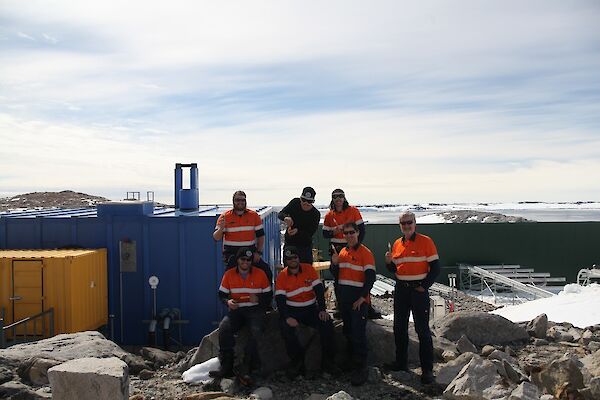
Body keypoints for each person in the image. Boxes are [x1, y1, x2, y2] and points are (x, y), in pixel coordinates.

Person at [384, 211, 440, 385]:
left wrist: (424, 286)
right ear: (400, 225)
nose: (406, 226)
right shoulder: (397, 244)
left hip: (418, 291)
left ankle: (427, 370)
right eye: (403, 223)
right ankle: (401, 364)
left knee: (422, 331)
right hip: (401, 290)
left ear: (415, 223)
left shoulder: (426, 241)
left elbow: (436, 268)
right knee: (399, 328)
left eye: (409, 222)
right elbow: (395, 270)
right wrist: (388, 263)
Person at [209, 247, 273, 384]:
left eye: (248, 260)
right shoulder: (229, 274)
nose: (246, 262)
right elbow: (222, 294)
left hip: (255, 310)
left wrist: (259, 299)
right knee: (224, 328)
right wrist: (228, 302)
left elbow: (269, 295)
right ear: (237, 260)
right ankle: (227, 366)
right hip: (237, 310)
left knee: (256, 331)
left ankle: (247, 367)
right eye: (243, 259)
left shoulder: (260, 274)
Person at [275, 246, 338, 379]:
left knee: (327, 325)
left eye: (295, 257)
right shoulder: (282, 276)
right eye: (289, 259)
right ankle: (297, 364)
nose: (292, 260)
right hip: (292, 310)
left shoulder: (309, 269)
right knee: (286, 330)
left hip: (310, 309)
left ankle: (328, 364)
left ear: (299, 258)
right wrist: (286, 317)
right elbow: (280, 300)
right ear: (285, 261)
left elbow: (319, 290)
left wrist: (322, 310)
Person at [330, 222, 376, 386]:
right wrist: (334, 263)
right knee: (348, 332)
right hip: (345, 301)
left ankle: (361, 368)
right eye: (346, 233)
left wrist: (362, 298)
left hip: (358, 301)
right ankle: (352, 364)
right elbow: (336, 275)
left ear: (357, 233)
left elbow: (371, 278)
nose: (349, 235)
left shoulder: (365, 253)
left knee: (358, 334)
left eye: (352, 232)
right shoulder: (342, 252)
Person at [213, 190, 272, 281]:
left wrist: (258, 253)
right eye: (237, 200)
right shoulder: (225, 217)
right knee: (229, 278)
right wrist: (221, 229)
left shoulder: (254, 216)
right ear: (233, 201)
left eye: (242, 200)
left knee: (266, 271)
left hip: (250, 252)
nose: (240, 202)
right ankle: (228, 294)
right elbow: (216, 237)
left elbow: (260, 236)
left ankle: (266, 294)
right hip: (232, 254)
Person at [277, 187, 320, 263]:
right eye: (303, 200)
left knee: (306, 271)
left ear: (313, 202)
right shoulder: (294, 203)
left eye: (309, 201)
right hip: (290, 244)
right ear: (300, 199)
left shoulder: (315, 214)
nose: (306, 203)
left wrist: (297, 231)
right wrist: (286, 218)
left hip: (304, 247)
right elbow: (281, 214)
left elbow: (309, 233)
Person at [322, 189, 365, 254]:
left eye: (340, 196)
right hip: (335, 247)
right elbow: (325, 234)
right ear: (332, 199)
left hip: (351, 245)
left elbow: (362, 230)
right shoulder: (329, 215)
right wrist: (334, 232)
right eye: (335, 196)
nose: (338, 199)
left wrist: (356, 245)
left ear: (344, 198)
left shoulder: (353, 211)